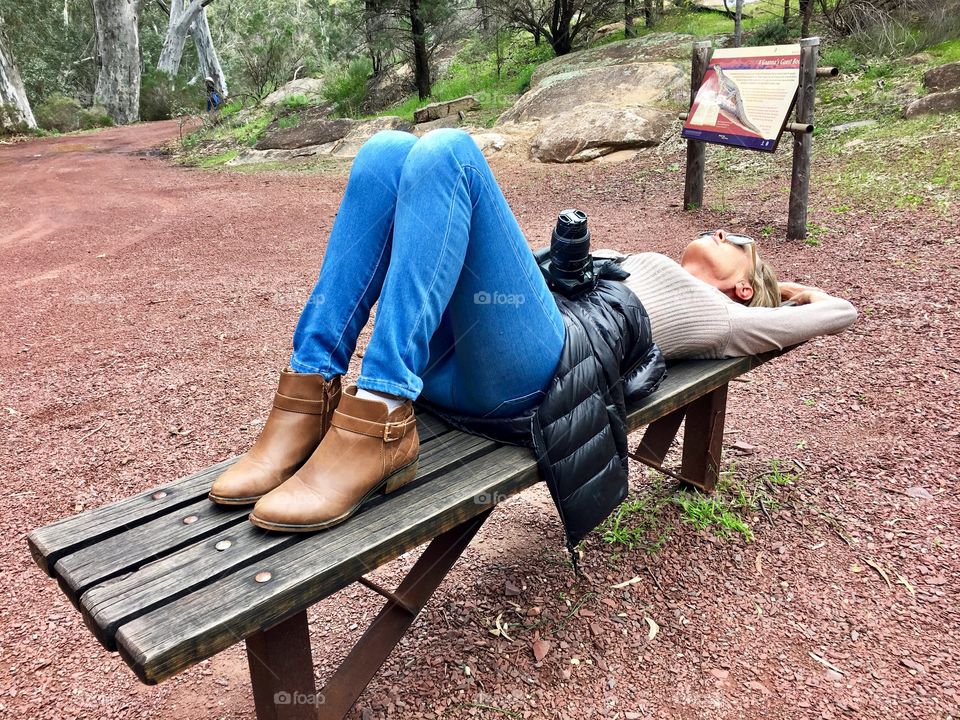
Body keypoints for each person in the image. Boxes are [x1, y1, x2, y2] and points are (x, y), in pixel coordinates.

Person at [207, 128, 856, 537]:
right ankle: (308, 390)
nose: (721, 232)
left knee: (450, 153)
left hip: (533, 378)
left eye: (736, 243)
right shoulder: (632, 264)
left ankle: (377, 413)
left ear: (745, 287)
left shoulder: (722, 315)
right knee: (384, 156)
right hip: (467, 364)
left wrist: (786, 290)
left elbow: (837, 313)